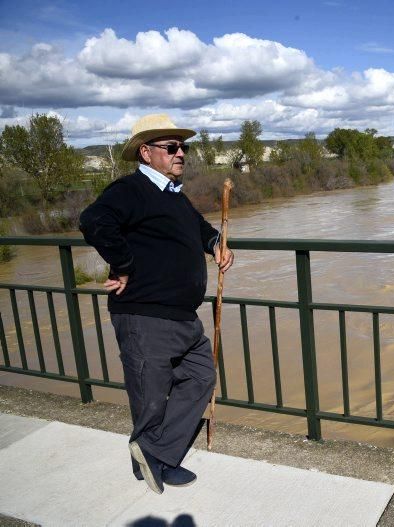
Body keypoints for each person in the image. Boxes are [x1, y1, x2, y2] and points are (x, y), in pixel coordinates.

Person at [79, 114, 234, 494]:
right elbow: (94, 220)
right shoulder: (131, 189)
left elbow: (199, 229)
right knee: (150, 395)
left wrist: (216, 245)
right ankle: (149, 462)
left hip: (181, 316)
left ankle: (158, 453)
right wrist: (125, 265)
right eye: (171, 147)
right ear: (146, 153)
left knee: (201, 377)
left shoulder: (172, 195)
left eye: (183, 147)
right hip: (145, 313)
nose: (180, 153)